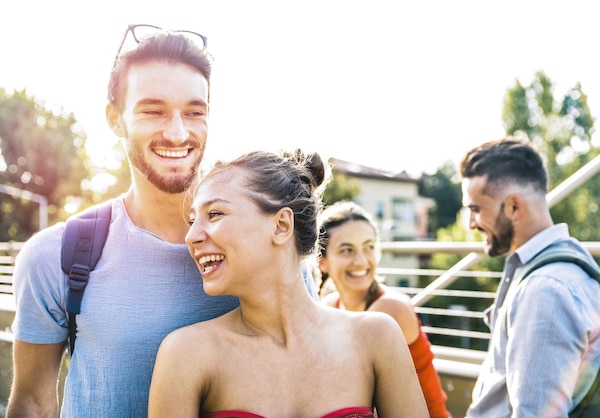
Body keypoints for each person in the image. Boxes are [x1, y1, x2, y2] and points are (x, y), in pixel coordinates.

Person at [7, 24, 246, 418]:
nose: (177, 132)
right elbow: (32, 403)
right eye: (153, 111)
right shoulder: (55, 256)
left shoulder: (270, 247)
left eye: (194, 111)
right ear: (115, 120)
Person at [148, 149, 429, 418]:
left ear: (281, 226)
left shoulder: (377, 337)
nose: (191, 236)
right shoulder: (186, 354)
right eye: (193, 220)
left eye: (215, 214)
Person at [460, 137, 600, 417]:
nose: (471, 224)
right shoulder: (570, 259)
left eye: (476, 209)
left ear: (514, 207)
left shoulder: (544, 291)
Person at [317, 201, 450, 418]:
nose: (361, 261)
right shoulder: (330, 304)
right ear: (322, 261)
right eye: (347, 250)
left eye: (369, 247)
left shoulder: (390, 309)